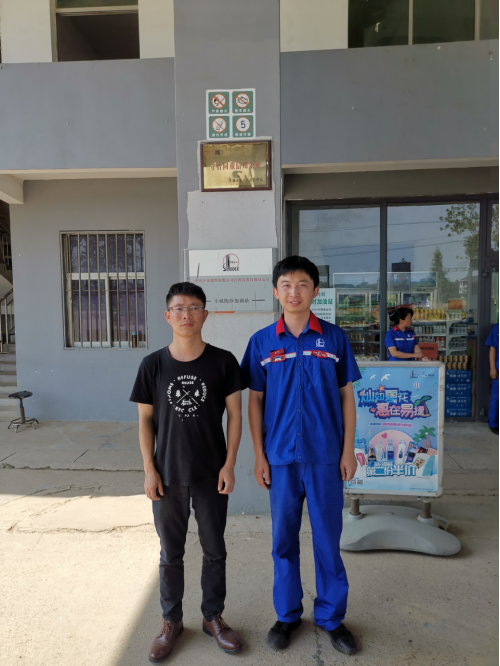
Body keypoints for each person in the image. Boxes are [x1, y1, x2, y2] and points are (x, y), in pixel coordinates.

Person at [241, 256, 361, 657]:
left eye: (303, 284)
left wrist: (348, 450)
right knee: (283, 541)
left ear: (315, 291)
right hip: (280, 458)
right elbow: (254, 402)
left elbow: (347, 397)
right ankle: (287, 615)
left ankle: (331, 617)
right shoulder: (261, 342)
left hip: (326, 456)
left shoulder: (334, 338)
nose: (294, 292)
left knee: (328, 540)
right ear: (276, 292)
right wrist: (259, 455)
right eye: (287, 285)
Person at [130, 282, 244, 663]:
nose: (186, 315)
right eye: (179, 308)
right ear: (168, 316)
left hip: (211, 473)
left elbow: (236, 416)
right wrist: (149, 469)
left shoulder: (224, 362)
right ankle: (171, 621)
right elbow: (145, 422)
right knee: (170, 554)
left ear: (205, 315)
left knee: (215, 550)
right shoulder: (152, 365)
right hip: (167, 475)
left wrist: (229, 463)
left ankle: (213, 617)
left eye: (194, 308)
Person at [485, 322, 499, 434]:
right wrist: (493, 367)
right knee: (496, 398)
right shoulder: (497, 328)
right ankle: (494, 423)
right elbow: (493, 348)